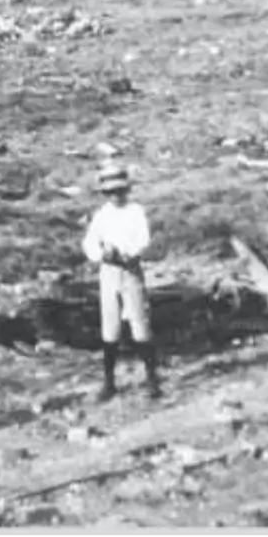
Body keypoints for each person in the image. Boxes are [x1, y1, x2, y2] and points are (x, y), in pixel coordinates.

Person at [81, 164, 160, 403]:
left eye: (119, 191)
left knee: (140, 323)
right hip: (109, 272)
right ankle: (109, 382)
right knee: (110, 327)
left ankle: (152, 380)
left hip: (130, 270)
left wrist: (129, 253)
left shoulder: (135, 212)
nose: (116, 196)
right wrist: (101, 254)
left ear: (126, 190)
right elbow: (90, 243)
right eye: (111, 192)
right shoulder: (102, 215)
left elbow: (144, 239)